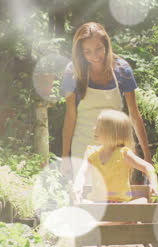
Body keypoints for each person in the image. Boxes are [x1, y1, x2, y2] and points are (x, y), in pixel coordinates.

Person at [61, 22, 151, 181]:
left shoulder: (122, 69)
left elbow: (134, 116)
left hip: (118, 148)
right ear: (81, 53)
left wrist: (147, 155)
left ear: (107, 46)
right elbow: (70, 116)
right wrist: (65, 156)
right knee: (86, 199)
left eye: (99, 49)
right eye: (87, 52)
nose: (95, 56)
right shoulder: (72, 72)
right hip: (83, 147)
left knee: (118, 198)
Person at [72, 110, 158, 203]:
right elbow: (82, 172)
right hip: (97, 204)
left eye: (99, 126)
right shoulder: (91, 152)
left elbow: (148, 167)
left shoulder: (123, 153)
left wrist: (154, 185)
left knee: (143, 201)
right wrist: (77, 184)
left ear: (112, 132)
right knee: (83, 203)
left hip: (120, 205)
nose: (94, 129)